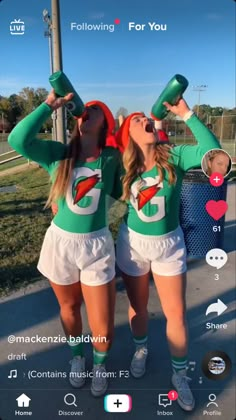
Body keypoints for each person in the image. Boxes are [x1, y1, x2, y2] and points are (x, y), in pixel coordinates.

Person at [8, 90, 123, 397]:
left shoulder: (112, 158)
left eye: (96, 109)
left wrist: (101, 219)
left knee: (104, 323)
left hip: (96, 246)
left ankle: (100, 364)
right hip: (60, 244)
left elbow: (122, 195)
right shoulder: (59, 154)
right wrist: (49, 104)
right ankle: (76, 357)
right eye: (86, 109)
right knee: (69, 308)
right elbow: (17, 141)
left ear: (105, 124)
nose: (87, 110)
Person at [115, 99, 221, 412]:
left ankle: (179, 374)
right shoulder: (123, 165)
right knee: (139, 308)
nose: (145, 119)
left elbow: (213, 154)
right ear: (128, 134)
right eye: (136, 120)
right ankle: (140, 350)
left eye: (145, 117)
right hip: (132, 244)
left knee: (176, 313)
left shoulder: (173, 156)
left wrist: (186, 113)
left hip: (169, 245)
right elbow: (106, 197)